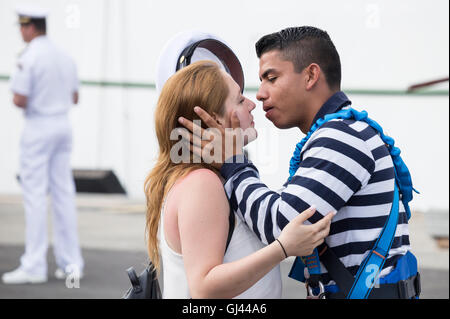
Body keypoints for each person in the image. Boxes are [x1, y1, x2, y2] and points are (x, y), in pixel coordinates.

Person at [178, 26, 421, 299]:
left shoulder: (341, 138)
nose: (259, 95)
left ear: (311, 75)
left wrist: (233, 163)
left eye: (271, 78)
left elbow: (281, 226)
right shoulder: (342, 133)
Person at [145, 60, 334, 298]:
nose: (252, 104)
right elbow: (204, 288)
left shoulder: (212, 178)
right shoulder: (202, 183)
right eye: (239, 99)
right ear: (215, 119)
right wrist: (283, 248)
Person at [2, 6, 84, 284]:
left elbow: (19, 99)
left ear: (28, 27)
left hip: (38, 127)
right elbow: (74, 97)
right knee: (63, 194)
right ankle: (71, 264)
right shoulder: (64, 55)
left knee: (35, 196)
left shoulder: (29, 56)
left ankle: (34, 265)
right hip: (62, 126)